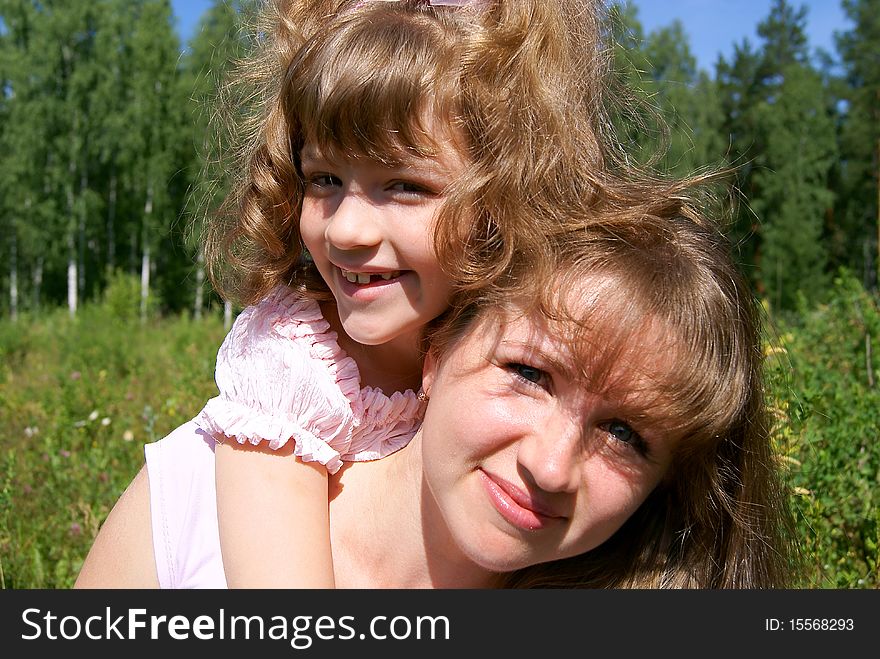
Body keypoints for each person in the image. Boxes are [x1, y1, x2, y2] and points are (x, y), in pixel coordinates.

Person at [75, 0, 619, 588]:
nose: (344, 231)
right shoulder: (292, 365)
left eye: (405, 186)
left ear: (502, 200)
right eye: (324, 180)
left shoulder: (503, 348)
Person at [73, 194, 797, 588]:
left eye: (626, 434)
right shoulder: (194, 499)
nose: (549, 466)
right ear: (438, 347)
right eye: (529, 373)